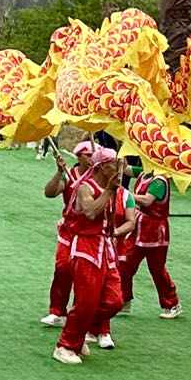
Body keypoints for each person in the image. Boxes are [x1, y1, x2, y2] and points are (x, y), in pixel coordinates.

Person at [54, 149, 132, 364]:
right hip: (87, 247)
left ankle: (79, 331)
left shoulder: (115, 190)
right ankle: (65, 346)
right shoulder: (85, 187)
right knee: (86, 301)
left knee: (115, 300)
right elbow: (89, 212)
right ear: (100, 168)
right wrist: (108, 192)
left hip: (105, 247)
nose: (118, 170)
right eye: (113, 165)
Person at [39, 143, 97, 328]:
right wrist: (58, 172)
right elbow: (50, 193)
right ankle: (57, 311)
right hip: (70, 230)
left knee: (87, 276)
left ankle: (85, 315)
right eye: (87, 155)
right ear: (78, 157)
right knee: (63, 268)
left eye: (93, 155)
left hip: (91, 232)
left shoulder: (99, 176)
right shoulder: (70, 175)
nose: (91, 159)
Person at [119, 166, 180, 318]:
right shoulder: (144, 172)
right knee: (124, 261)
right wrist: (119, 156)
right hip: (139, 226)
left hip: (155, 229)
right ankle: (124, 300)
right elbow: (125, 168)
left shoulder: (159, 181)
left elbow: (147, 200)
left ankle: (172, 303)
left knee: (157, 269)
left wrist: (125, 194)